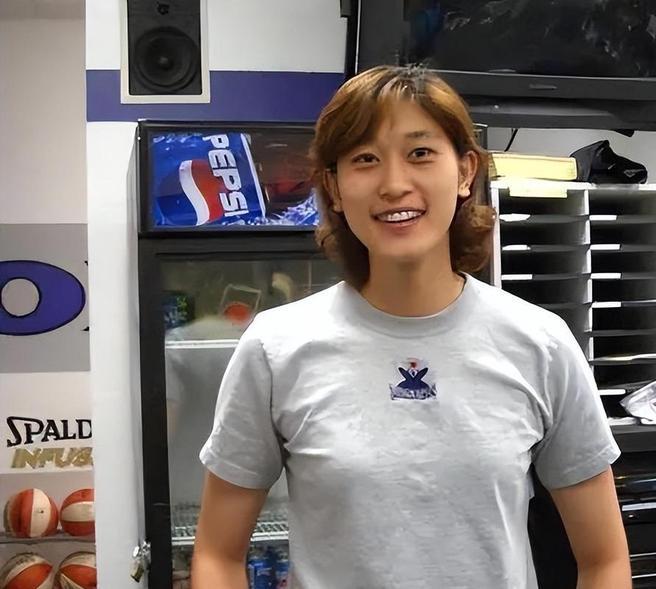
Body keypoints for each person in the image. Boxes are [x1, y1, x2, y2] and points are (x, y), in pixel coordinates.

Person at [191, 65, 630, 589]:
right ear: (334, 187)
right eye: (365, 159)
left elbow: (604, 560)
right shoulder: (276, 348)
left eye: (420, 153)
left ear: (465, 172)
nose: (394, 184)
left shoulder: (541, 343)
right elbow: (217, 555)